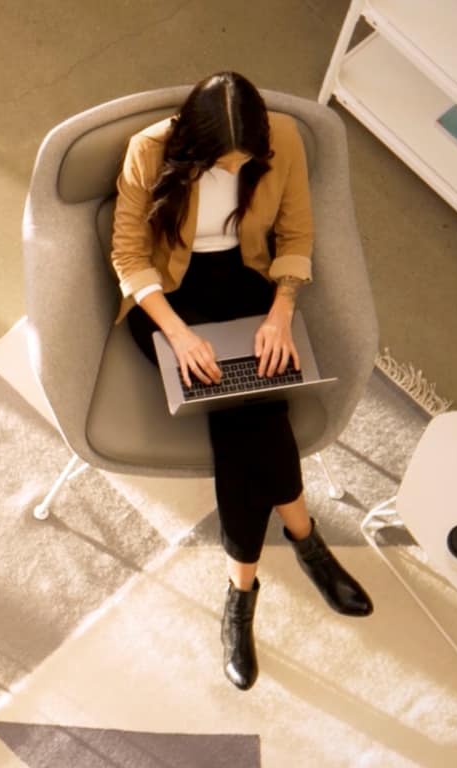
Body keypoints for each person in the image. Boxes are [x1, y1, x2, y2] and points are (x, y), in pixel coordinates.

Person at [109, 72, 373, 691]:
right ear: (193, 146)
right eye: (223, 163)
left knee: (248, 410)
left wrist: (281, 313)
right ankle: (303, 542)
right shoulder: (149, 151)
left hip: (248, 286)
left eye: (245, 159)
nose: (238, 168)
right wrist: (178, 334)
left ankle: (241, 593)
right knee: (243, 414)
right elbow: (127, 254)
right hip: (170, 300)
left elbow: (297, 234)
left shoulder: (282, 139)